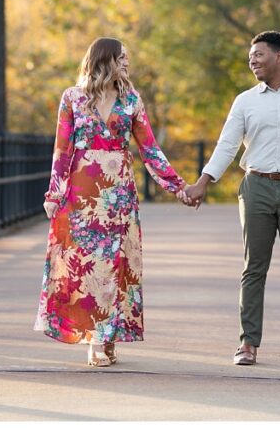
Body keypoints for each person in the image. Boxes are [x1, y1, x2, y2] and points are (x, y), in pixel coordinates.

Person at [178, 30, 280, 368]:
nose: (252, 61)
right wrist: (203, 182)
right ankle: (247, 344)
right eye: (251, 56)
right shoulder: (245, 101)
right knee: (254, 268)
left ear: (279, 56)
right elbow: (227, 145)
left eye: (259, 54)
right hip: (257, 188)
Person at [37, 37, 198, 367]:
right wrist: (54, 194)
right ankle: (94, 339)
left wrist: (178, 186)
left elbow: (149, 149)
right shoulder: (72, 98)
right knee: (84, 268)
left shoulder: (131, 99)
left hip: (118, 193)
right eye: (122, 57)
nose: (127, 62)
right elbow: (62, 150)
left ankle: (106, 335)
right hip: (81, 193)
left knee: (114, 266)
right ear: (105, 59)